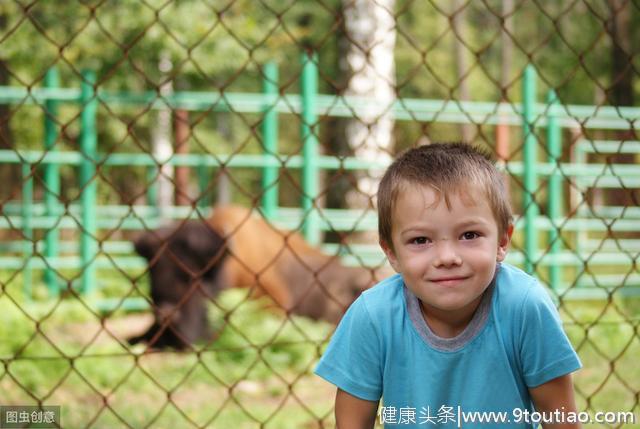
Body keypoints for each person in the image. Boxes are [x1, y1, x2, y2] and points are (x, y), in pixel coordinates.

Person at [315, 143, 582, 428]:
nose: (447, 258)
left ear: (502, 241)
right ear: (391, 252)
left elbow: (561, 419)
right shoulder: (373, 316)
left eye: (469, 235)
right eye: (420, 240)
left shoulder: (525, 307)